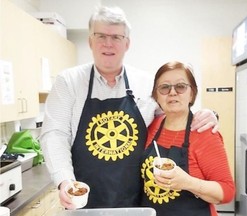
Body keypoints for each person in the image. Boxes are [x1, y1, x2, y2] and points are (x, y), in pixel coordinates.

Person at [39, 6, 219, 210]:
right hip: (83, 200)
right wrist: (65, 181)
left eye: (116, 36)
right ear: (90, 41)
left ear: (127, 43)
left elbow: (175, 116)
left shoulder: (146, 82)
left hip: (135, 201)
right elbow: (55, 134)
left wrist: (208, 115)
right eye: (101, 36)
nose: (108, 43)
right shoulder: (69, 82)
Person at [140, 61, 235, 216]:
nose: (172, 92)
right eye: (164, 87)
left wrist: (188, 183)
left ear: (191, 93)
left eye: (181, 86)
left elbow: (227, 192)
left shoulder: (204, 133)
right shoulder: (151, 125)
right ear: (156, 95)